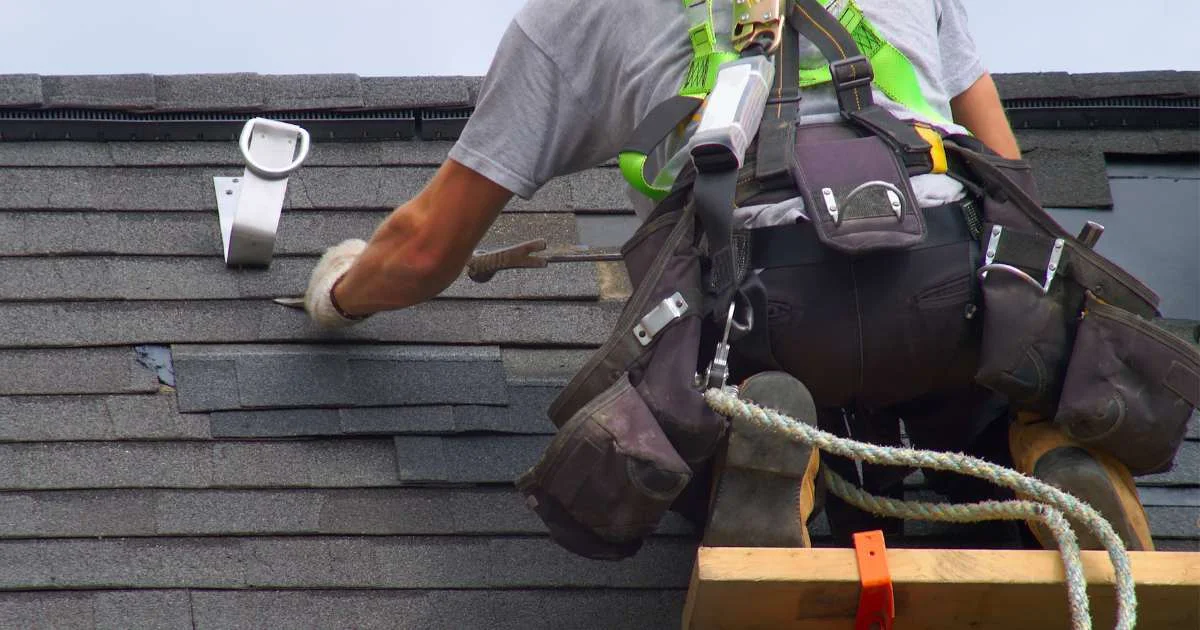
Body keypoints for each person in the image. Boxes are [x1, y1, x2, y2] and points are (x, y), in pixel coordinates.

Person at [302, 0, 1154, 552]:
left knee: (691, 398)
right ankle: (1036, 447)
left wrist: (337, 293)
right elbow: (1011, 181)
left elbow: (423, 250)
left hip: (762, 315)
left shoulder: (571, 19)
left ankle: (767, 462)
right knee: (987, 359)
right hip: (953, 294)